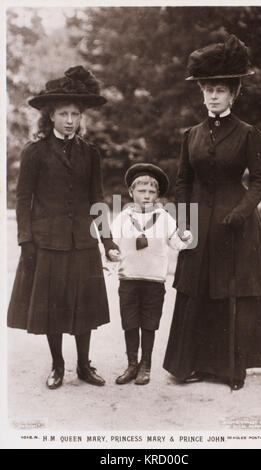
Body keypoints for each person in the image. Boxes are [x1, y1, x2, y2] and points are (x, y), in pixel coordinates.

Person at [163, 35, 261, 390]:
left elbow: (259, 180)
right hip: (199, 221)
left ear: (233, 94)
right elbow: (182, 180)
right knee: (197, 289)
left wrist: (241, 213)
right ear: (201, 93)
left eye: (220, 90)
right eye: (207, 90)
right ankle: (193, 364)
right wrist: (184, 221)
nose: (213, 96)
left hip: (236, 224)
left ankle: (230, 368)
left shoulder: (248, 134)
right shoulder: (191, 135)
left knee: (229, 292)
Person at [8, 65, 119, 389]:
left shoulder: (91, 153)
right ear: (50, 117)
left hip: (83, 242)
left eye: (75, 114)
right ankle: (58, 365)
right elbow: (23, 199)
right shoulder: (35, 153)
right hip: (48, 242)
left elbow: (97, 198)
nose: (70, 120)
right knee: (53, 307)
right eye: (63, 114)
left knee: (84, 306)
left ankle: (84, 365)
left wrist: (108, 241)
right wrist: (26, 241)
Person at [109, 163, 193, 385]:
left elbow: (176, 243)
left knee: (149, 323)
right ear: (131, 192)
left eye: (151, 192)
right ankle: (131, 364)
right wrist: (112, 254)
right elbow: (111, 244)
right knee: (129, 322)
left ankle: (145, 365)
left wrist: (185, 237)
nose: (146, 196)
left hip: (154, 280)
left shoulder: (165, 217)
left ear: (157, 194)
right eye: (141, 191)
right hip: (128, 278)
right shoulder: (123, 218)